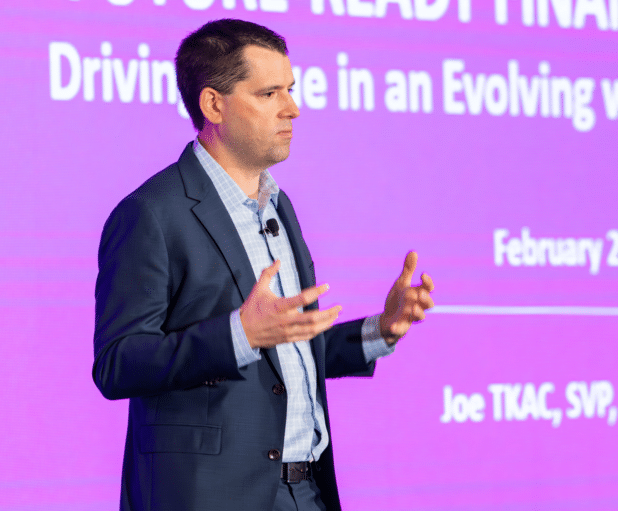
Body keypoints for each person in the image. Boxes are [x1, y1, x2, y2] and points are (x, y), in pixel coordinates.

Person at [92, 18, 435, 511]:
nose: (292, 108)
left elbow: (289, 351)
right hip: (209, 496)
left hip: (307, 489)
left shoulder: (278, 205)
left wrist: (380, 330)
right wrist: (239, 335)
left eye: (290, 90)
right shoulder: (152, 214)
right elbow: (118, 363)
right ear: (214, 105)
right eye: (270, 93)